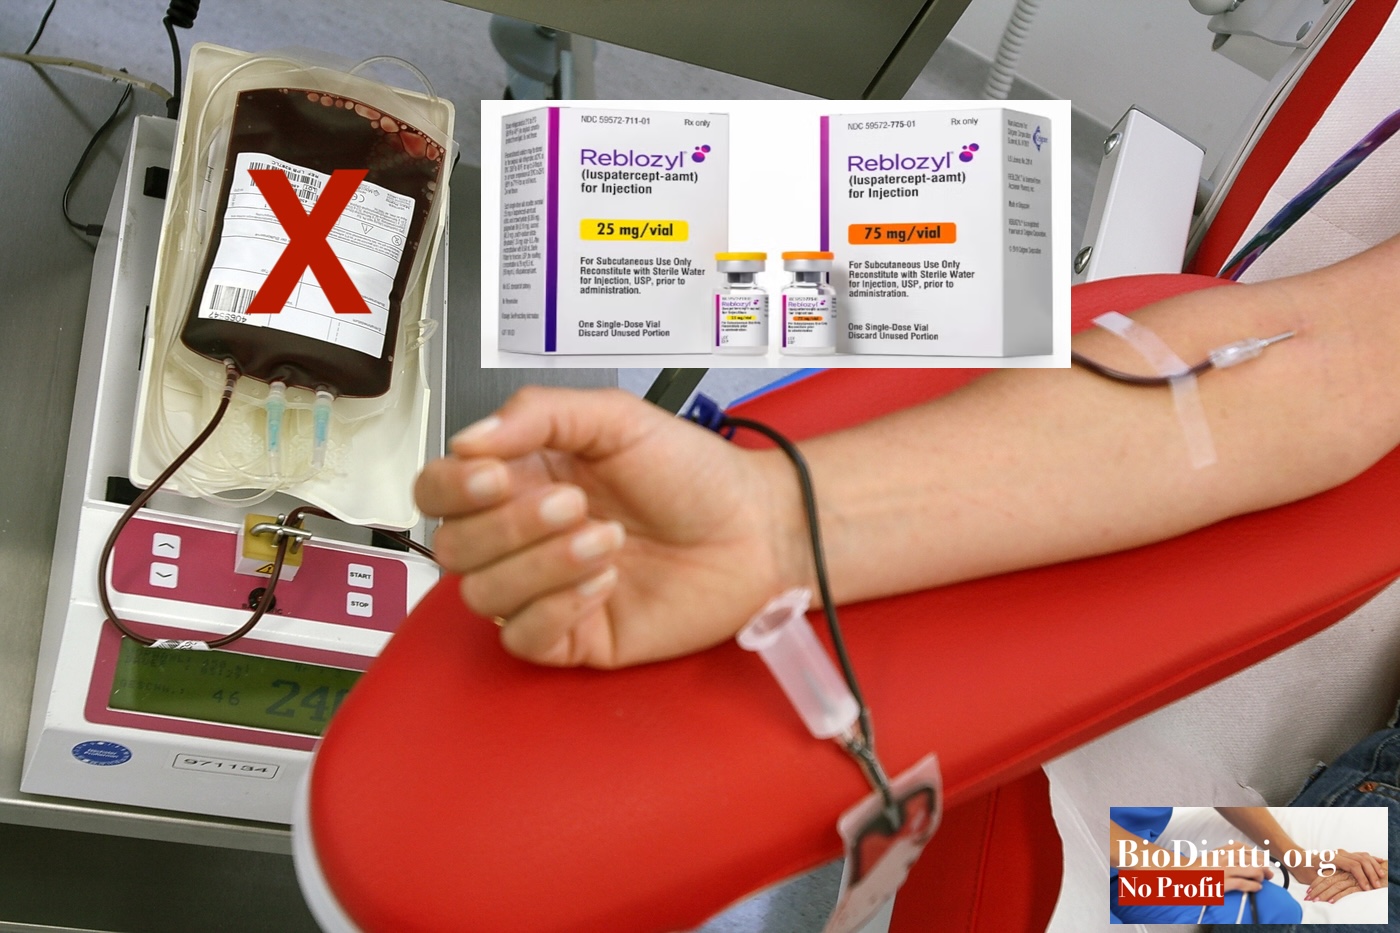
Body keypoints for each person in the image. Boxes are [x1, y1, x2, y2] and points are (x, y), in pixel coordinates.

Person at [415, 232, 1400, 670]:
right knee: (1156, 878)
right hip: (1350, 848)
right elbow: (1340, 362)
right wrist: (771, 526)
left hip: (1344, 853)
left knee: (1151, 881)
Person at [1109, 806, 1386, 924]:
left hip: (1128, 862)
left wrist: (1294, 856)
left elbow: (1213, 772)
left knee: (1267, 905)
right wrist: (1180, 871)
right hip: (1100, 862)